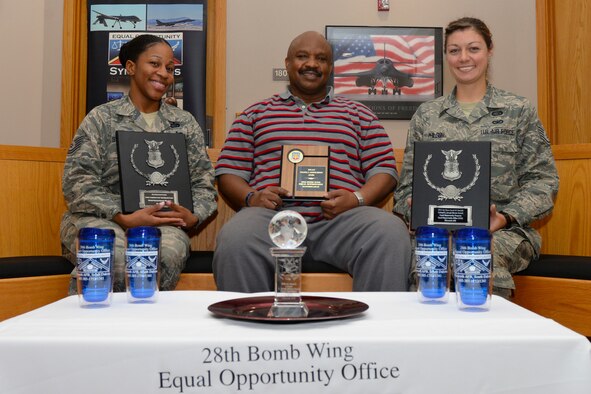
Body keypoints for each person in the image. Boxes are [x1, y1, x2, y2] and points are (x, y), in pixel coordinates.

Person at [213, 31, 411, 292]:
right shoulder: (255, 115)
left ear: (330, 68)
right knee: (236, 236)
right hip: (271, 220)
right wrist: (252, 198)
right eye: (302, 56)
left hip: (340, 224)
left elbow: (384, 169)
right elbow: (228, 172)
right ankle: (250, 329)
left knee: (389, 231)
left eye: (321, 58)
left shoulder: (359, 115)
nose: (312, 64)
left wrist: (357, 198)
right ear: (287, 63)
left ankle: (376, 331)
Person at [394, 17, 559, 297]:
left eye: (473, 48)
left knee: (477, 253)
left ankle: (488, 339)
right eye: (454, 50)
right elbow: (406, 188)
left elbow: (543, 182)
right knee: (425, 259)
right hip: (438, 231)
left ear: (489, 50)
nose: (463, 58)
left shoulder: (518, 110)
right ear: (446, 55)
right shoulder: (427, 115)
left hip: (503, 232)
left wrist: (505, 217)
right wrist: (416, 209)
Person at [61, 34, 216, 292]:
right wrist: (123, 215)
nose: (163, 73)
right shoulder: (102, 118)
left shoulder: (184, 123)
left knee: (160, 255)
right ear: (131, 67)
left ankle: (146, 329)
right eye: (154, 64)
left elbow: (204, 183)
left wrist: (193, 215)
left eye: (169, 68)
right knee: (114, 257)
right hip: (101, 218)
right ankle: (89, 329)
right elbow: (77, 182)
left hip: (164, 222)